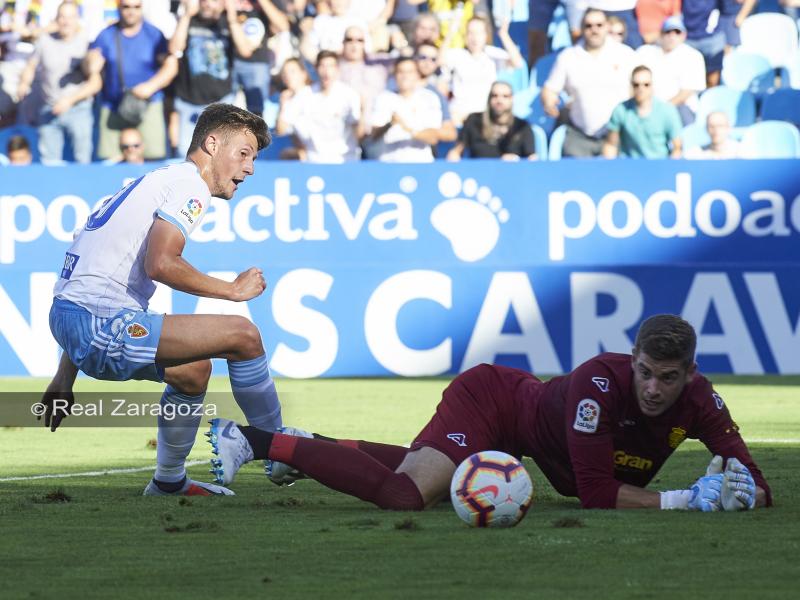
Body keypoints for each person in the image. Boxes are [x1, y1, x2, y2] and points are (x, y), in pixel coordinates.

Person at [208, 314, 771, 511]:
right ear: (634, 358)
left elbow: (758, 481)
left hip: (521, 425)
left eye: (668, 379)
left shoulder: (703, 402)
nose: (652, 388)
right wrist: (682, 501)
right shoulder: (602, 383)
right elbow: (595, 494)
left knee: (413, 466)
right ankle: (255, 441)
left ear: (690, 376)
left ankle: (308, 444)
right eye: (645, 370)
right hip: (491, 403)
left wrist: (736, 491)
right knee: (406, 495)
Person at [40, 103, 280, 498]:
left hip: (75, 317)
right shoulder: (190, 187)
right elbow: (162, 263)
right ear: (212, 143)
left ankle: (168, 481)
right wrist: (232, 291)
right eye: (244, 153)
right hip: (99, 322)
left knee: (192, 372)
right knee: (243, 335)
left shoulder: (158, 180)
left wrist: (64, 376)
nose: (250, 168)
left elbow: (88, 284)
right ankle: (280, 448)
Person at [87, 0, 178, 161]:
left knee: (153, 158)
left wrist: (150, 87)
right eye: (126, 7)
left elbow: (171, 66)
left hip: (148, 104)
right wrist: (90, 63)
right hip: (113, 105)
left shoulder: (154, 35)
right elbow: (91, 65)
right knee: (110, 160)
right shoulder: (106, 35)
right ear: (118, 7)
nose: (131, 11)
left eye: (136, 7)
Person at [541, 8, 636, 157]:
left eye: (599, 25)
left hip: (618, 134)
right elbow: (550, 89)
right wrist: (549, 102)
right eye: (589, 25)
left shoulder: (625, 54)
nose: (594, 30)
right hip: (580, 134)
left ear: (606, 27)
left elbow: (640, 87)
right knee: (576, 179)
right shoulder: (568, 57)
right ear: (582, 28)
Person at [169, 0, 258, 157]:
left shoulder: (228, 23)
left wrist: (231, 18)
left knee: (220, 154)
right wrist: (186, 15)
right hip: (188, 102)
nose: (208, 5)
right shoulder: (190, 20)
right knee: (185, 152)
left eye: (215, 1)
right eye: (204, 1)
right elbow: (175, 48)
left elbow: (245, 50)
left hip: (221, 102)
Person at [15, 1, 98, 164]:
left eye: (70, 17)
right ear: (56, 19)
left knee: (82, 159)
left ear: (77, 19)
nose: (66, 21)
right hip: (49, 108)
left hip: (78, 109)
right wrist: (24, 83)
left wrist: (69, 101)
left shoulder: (86, 43)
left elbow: (95, 83)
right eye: (62, 17)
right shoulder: (45, 41)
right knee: (49, 161)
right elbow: (31, 66)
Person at [279, 50, 362, 163]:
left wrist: (364, 112)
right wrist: (284, 105)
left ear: (337, 70)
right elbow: (282, 129)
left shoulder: (350, 95)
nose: (326, 71)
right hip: (315, 162)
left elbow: (359, 133)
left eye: (330, 66)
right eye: (322, 66)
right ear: (316, 69)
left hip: (345, 160)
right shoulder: (305, 95)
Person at [443, 15, 525, 126]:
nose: (474, 37)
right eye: (470, 32)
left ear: (486, 35)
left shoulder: (493, 54)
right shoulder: (457, 54)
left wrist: (503, 35)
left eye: (479, 33)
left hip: (485, 116)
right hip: (459, 114)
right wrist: (450, 33)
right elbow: (439, 61)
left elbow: (518, 63)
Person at [366, 56, 442, 162]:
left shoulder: (429, 98)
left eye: (409, 72)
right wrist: (390, 124)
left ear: (417, 75)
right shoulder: (383, 98)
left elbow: (433, 137)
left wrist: (407, 128)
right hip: (389, 162)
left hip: (420, 162)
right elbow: (373, 135)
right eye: (401, 72)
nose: (405, 76)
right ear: (395, 75)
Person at [636, 16, 706, 125]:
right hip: (647, 106)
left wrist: (661, 111)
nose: (672, 36)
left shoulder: (693, 56)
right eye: (668, 32)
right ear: (661, 34)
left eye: (677, 32)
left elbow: (686, 93)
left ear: (684, 35)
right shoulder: (645, 52)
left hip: (680, 108)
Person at [603, 65, 682, 158]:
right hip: (629, 166)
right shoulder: (621, 110)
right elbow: (611, 144)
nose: (641, 88)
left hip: (658, 165)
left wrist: (670, 168)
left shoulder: (667, 111)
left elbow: (677, 147)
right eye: (636, 85)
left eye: (646, 84)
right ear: (631, 85)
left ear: (652, 85)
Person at [446, 80, 536, 160]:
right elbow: (457, 150)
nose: (499, 100)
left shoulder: (522, 127)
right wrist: (454, 155)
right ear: (489, 99)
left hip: (510, 175)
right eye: (495, 96)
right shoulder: (474, 121)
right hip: (477, 174)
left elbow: (531, 159)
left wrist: (516, 159)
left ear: (511, 99)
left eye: (505, 96)